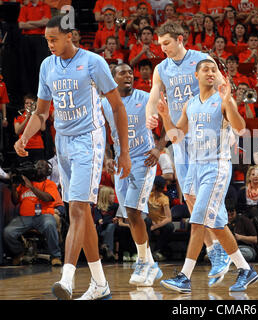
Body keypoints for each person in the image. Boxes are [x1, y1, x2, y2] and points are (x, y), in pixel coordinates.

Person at [14, 15, 131, 300]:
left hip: (88, 141)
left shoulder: (93, 62)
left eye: (54, 39)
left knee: (77, 210)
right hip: (63, 144)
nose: (50, 44)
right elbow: (41, 113)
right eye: (47, 40)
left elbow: (117, 107)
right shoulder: (47, 66)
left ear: (71, 36)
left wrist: (123, 151)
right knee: (81, 216)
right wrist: (25, 137)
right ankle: (100, 284)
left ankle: (66, 278)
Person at [159, 59, 258, 293]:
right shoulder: (190, 104)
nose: (211, 72)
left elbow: (241, 127)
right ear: (196, 75)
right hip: (195, 167)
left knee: (197, 221)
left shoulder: (223, 101)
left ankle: (184, 277)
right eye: (206, 69)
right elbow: (176, 136)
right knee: (217, 224)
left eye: (214, 69)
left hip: (216, 167)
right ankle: (245, 269)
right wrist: (164, 115)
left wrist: (229, 103)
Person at [145, 21, 231, 285]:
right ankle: (215, 249)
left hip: (206, 134)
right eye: (160, 45)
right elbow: (153, 96)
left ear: (180, 39)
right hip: (180, 137)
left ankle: (223, 250)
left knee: (209, 200)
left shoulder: (202, 60)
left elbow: (224, 90)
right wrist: (150, 116)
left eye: (167, 44)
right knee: (191, 196)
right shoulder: (161, 68)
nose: (163, 50)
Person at [101, 63, 161, 287]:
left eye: (130, 73)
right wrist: (108, 155)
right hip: (120, 163)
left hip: (144, 159)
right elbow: (102, 133)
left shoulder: (146, 98)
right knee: (129, 215)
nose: (128, 75)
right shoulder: (105, 103)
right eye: (122, 73)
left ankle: (143, 262)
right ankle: (151, 265)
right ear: (112, 78)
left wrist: (159, 147)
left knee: (134, 212)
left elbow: (168, 123)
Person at [4, 159, 62, 267]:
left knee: (50, 224)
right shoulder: (24, 183)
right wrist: (13, 187)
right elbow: (15, 201)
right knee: (8, 232)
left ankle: (55, 256)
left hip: (43, 216)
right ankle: (20, 252)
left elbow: (47, 198)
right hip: (25, 217)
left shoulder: (50, 184)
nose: (39, 168)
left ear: (48, 171)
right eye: (37, 166)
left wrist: (31, 186)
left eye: (42, 166)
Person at [145, 175, 175, 262]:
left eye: (152, 184)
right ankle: (146, 251)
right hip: (150, 222)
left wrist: (156, 226)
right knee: (146, 222)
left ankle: (157, 251)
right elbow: (143, 211)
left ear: (156, 185)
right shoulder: (148, 195)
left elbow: (169, 218)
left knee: (170, 226)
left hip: (160, 224)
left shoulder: (164, 198)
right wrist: (151, 222)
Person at [14, 94, 46, 164]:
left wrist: (37, 114)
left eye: (31, 103)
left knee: (39, 171)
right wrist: (27, 118)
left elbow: (43, 128)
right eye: (26, 103)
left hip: (38, 146)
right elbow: (17, 131)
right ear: (24, 105)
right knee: (25, 170)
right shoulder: (18, 117)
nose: (28, 105)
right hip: (24, 147)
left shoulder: (38, 116)